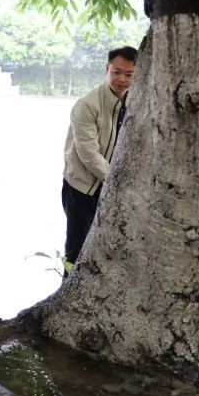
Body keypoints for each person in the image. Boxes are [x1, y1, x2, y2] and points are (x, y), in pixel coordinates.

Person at [61, 46, 137, 264]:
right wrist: (119, 181)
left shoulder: (137, 101)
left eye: (129, 74)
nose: (122, 79)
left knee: (108, 248)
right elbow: (88, 154)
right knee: (77, 249)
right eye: (116, 72)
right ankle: (68, 291)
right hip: (81, 188)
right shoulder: (87, 105)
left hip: (112, 185)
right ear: (107, 69)